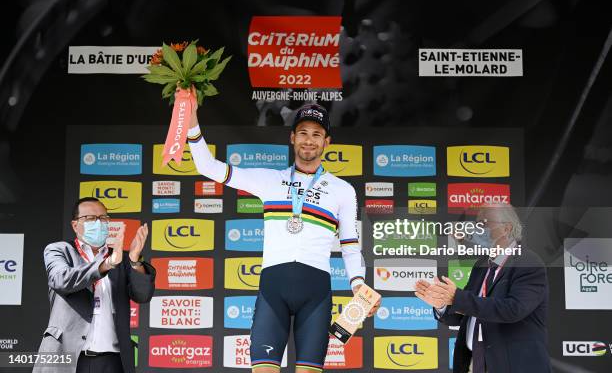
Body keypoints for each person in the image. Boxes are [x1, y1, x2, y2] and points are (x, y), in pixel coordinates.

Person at [187, 102, 378, 373]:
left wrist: (358, 284)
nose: (309, 140)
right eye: (302, 133)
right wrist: (191, 118)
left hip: (316, 294)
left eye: (316, 134)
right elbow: (208, 167)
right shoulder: (269, 180)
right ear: (292, 138)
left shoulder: (342, 190)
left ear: (327, 142)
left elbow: (349, 244)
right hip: (272, 291)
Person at [415, 203, 551, 373]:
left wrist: (456, 298)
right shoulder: (481, 265)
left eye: (484, 223)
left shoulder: (528, 262)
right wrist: (441, 303)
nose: (478, 229)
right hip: (474, 364)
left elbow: (512, 309)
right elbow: (462, 315)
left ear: (506, 229)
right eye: (477, 224)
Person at [34, 197, 155, 373]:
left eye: (103, 218)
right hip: (67, 357)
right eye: (90, 219)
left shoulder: (121, 258)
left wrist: (135, 260)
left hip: (112, 360)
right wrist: (106, 264)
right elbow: (61, 280)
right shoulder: (59, 250)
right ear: (75, 225)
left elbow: (142, 295)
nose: (98, 223)